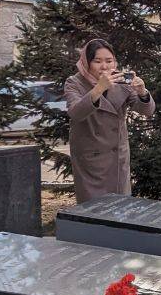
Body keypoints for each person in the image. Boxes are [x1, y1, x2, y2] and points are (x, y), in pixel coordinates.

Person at [64, 38, 155, 203]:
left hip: (117, 157)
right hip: (92, 161)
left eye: (109, 61)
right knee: (94, 212)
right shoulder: (74, 82)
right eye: (97, 61)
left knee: (120, 209)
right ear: (86, 62)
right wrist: (99, 88)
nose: (104, 66)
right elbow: (76, 112)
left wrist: (143, 92)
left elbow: (146, 111)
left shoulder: (121, 82)